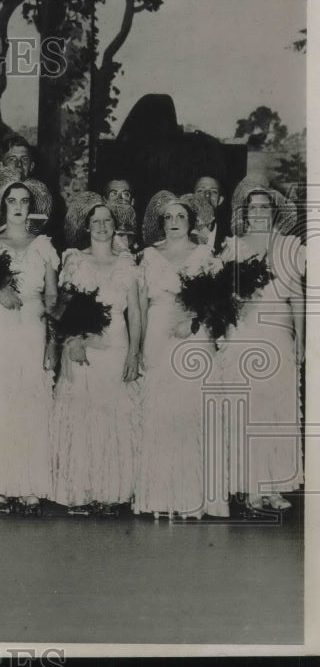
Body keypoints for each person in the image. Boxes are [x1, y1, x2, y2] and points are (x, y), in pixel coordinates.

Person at [0, 168, 58, 513]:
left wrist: (52, 341)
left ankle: (31, 486)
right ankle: (0, 485)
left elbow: (52, 298)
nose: (18, 206)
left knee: (30, 401)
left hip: (32, 330)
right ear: (3, 207)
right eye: (12, 201)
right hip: (0, 329)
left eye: (24, 201)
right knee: (2, 403)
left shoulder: (44, 247)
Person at [213, 175, 304, 514]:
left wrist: (302, 341)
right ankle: (250, 487)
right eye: (253, 208)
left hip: (278, 334)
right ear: (245, 213)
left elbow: (296, 297)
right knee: (249, 409)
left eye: (265, 207)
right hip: (244, 333)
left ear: (274, 211)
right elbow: (221, 298)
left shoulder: (288, 247)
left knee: (277, 410)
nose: (259, 213)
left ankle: (276, 485)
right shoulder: (233, 247)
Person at [52, 192, 142, 514]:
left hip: (116, 348)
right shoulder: (75, 259)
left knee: (113, 417)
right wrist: (73, 339)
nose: (102, 226)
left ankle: (111, 492)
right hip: (83, 347)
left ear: (115, 226)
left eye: (107, 221)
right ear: (87, 226)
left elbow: (135, 314)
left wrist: (134, 353)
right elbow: (62, 306)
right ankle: (81, 491)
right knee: (83, 414)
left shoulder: (127, 264)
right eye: (96, 221)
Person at [133, 191, 219, 519]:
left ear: (191, 221)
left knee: (190, 413)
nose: (173, 223)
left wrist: (194, 320)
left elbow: (218, 303)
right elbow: (140, 305)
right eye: (167, 218)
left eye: (180, 217)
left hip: (193, 337)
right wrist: (139, 347)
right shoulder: (148, 257)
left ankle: (192, 497)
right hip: (157, 335)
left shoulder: (205, 254)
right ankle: (158, 497)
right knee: (160, 412)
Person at [193, 175, 228, 252]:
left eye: (214, 191)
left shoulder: (228, 235)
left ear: (220, 200)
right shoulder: (182, 230)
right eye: (200, 190)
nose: (207, 195)